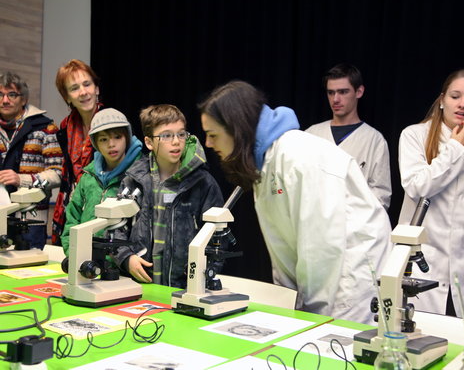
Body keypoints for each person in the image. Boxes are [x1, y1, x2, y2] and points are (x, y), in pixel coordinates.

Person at [199, 80, 392, 324]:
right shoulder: (267, 162)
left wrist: (306, 315)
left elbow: (322, 248)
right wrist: (288, 304)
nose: (208, 143)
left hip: (351, 281)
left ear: (236, 128)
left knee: (337, 352)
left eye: (213, 134)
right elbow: (283, 247)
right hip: (326, 278)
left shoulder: (298, 157)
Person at [112, 104, 225, 288]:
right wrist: (126, 258)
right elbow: (116, 228)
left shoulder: (203, 182)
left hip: (186, 288)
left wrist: (203, 275)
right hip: (140, 286)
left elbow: (219, 237)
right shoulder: (133, 180)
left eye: (181, 134)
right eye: (166, 135)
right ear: (149, 142)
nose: (176, 141)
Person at [398, 69, 464, 321]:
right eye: (455, 96)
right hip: (424, 267)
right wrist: (456, 148)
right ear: (442, 99)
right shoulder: (414, 135)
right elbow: (418, 186)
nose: (462, 104)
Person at [306, 63, 392, 211]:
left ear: (359, 91)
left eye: (343, 92)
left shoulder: (374, 140)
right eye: (331, 93)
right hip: (313, 222)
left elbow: (381, 196)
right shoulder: (312, 134)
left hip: (353, 227)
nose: (336, 99)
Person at [60, 108, 143, 256]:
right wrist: (72, 252)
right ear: (96, 143)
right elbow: (72, 219)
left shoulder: (140, 175)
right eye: (104, 139)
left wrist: (125, 261)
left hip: (122, 266)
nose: (111, 144)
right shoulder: (88, 177)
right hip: (83, 259)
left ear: (127, 138)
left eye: (117, 137)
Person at [0, 72, 62, 249]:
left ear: (24, 99)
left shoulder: (45, 128)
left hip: (30, 220)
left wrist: (22, 179)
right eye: (0, 94)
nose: (5, 100)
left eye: (12, 94)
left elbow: (58, 173)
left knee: (28, 273)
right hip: (0, 216)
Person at [52, 59, 105, 245]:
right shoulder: (66, 126)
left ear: (96, 88)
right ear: (67, 97)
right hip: (71, 206)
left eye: (87, 84)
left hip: (102, 209)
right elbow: (67, 176)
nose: (83, 92)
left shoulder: (111, 121)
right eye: (74, 88)